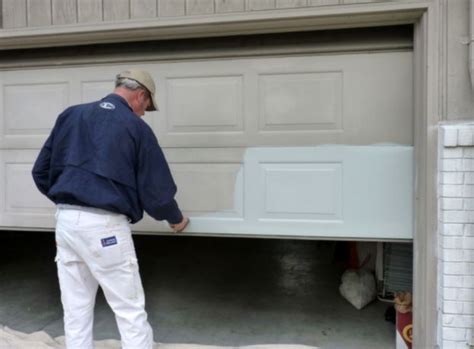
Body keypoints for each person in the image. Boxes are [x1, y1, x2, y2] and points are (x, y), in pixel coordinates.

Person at [32, 69, 189, 349]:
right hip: (105, 228)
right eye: (146, 107)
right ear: (141, 95)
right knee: (129, 310)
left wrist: (70, 200)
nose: (143, 113)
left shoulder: (71, 115)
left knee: (76, 308)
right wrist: (175, 219)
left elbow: (41, 171)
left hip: (66, 223)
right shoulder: (136, 127)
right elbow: (157, 191)